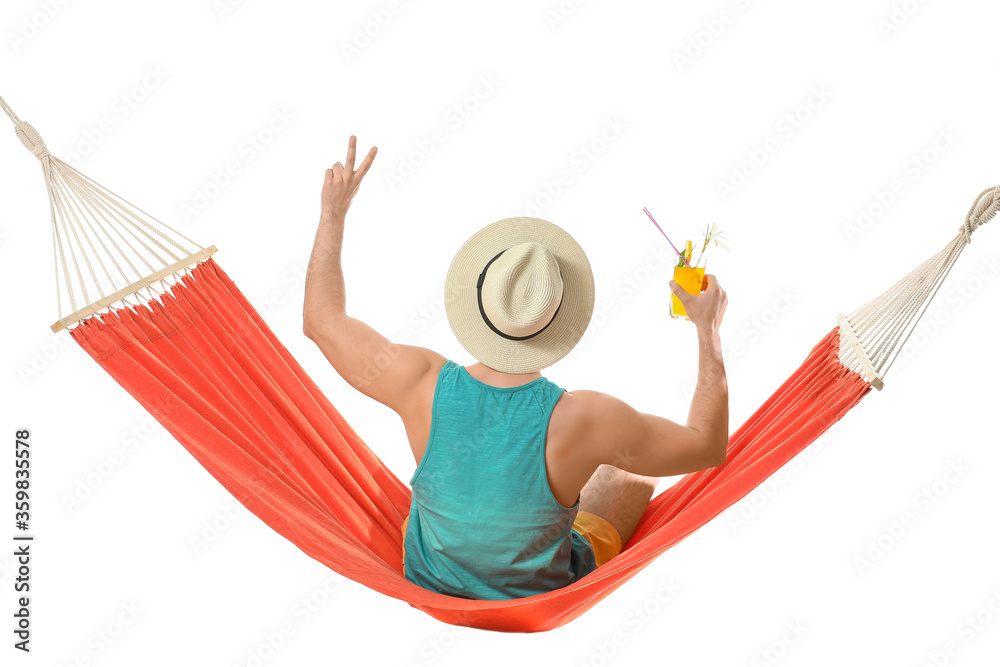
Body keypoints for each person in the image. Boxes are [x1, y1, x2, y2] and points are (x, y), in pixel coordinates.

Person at [302, 136, 729, 600]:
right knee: (630, 472)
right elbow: (706, 447)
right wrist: (708, 330)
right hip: (538, 594)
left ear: (482, 301)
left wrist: (333, 214)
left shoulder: (418, 380)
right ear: (559, 318)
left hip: (430, 578)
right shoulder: (590, 419)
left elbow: (322, 322)